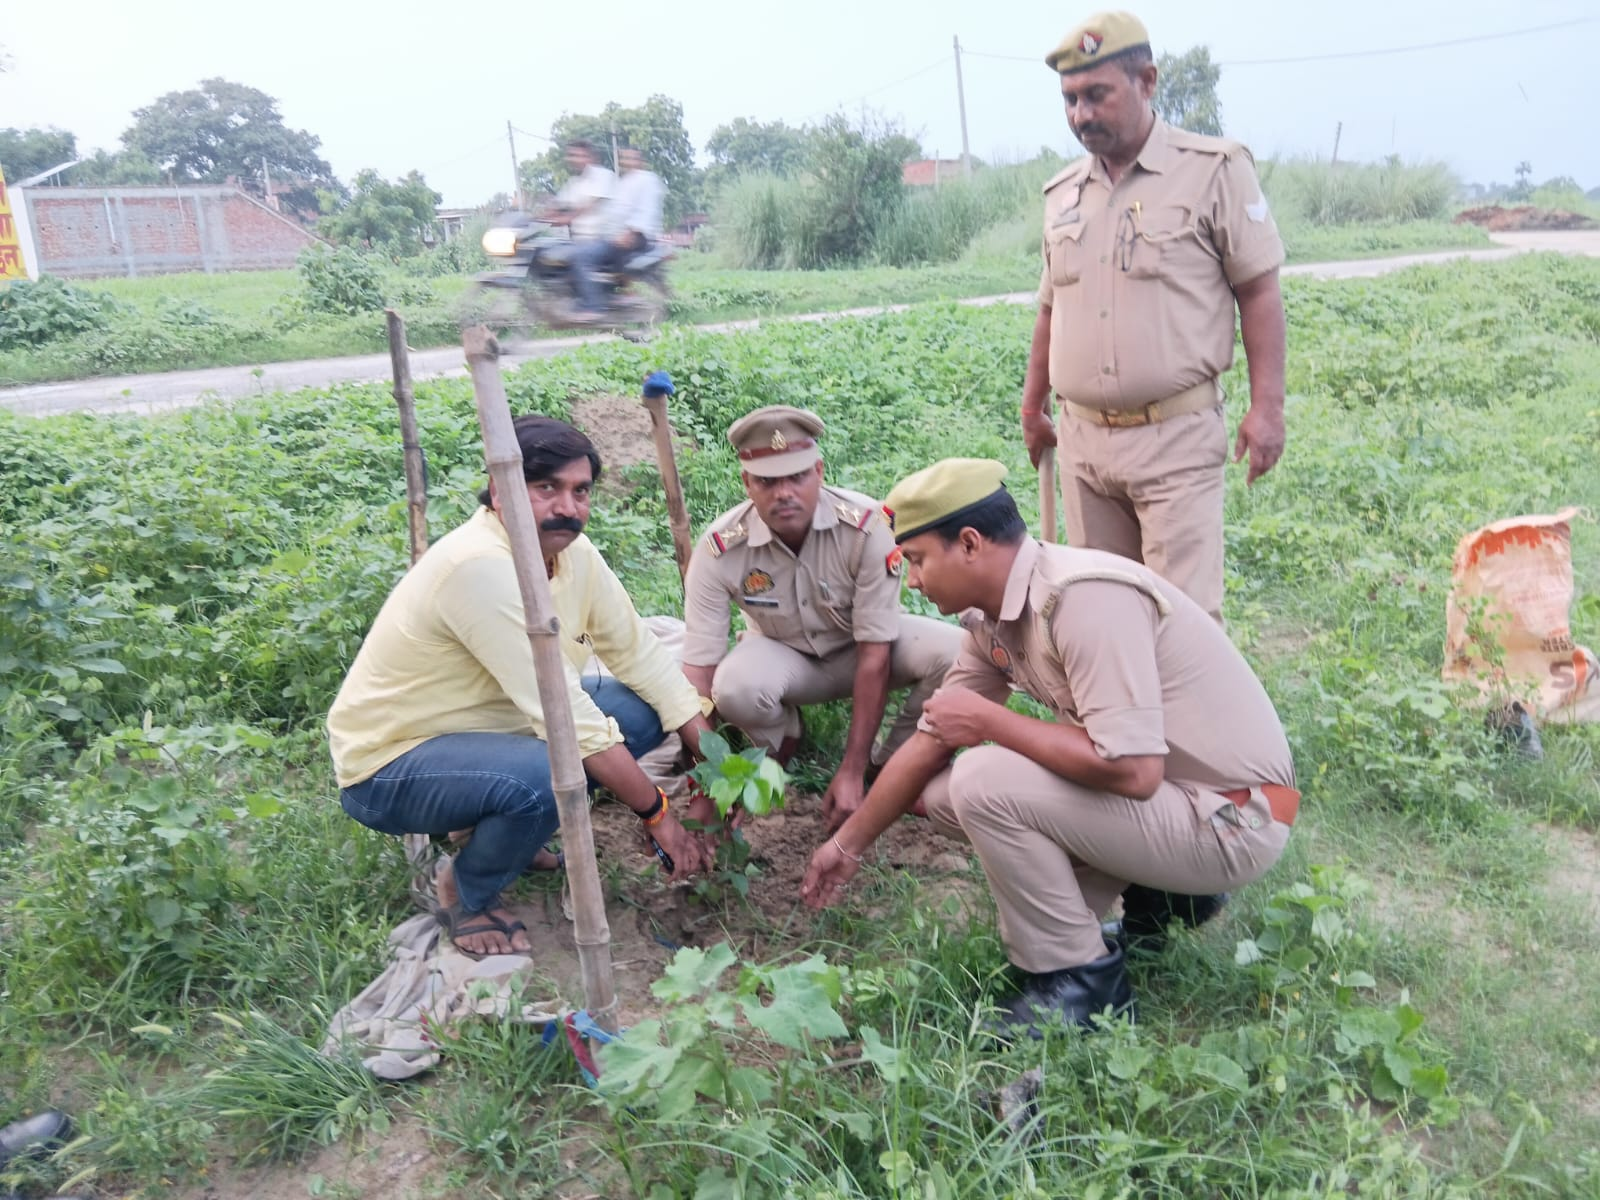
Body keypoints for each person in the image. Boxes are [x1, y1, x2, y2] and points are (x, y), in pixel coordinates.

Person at [801, 459, 1298, 1037]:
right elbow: (934, 738)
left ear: (969, 544)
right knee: (944, 794)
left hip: (1234, 820)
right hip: (1183, 802)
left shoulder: (1081, 599)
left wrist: (990, 721)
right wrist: (849, 843)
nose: (912, 580)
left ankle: (1077, 984)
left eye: (916, 560)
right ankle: (1156, 895)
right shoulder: (993, 618)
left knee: (983, 780)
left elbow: (1133, 771)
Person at [328, 416, 717, 958]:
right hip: (393, 762)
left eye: (580, 491)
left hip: (484, 729)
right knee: (548, 774)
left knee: (640, 714)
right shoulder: (479, 568)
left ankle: (508, 832)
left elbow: (638, 652)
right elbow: (570, 721)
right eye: (546, 488)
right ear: (500, 490)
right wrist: (658, 814)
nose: (568, 506)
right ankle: (469, 891)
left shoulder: (573, 554)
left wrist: (713, 755)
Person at [1019, 11, 1288, 624]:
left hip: (1174, 439)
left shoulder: (1212, 170)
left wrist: (1267, 408)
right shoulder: (1062, 194)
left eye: (1096, 95)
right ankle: (1121, 725)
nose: (1081, 114)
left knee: (1183, 622)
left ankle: (1195, 726)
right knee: (1100, 615)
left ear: (1146, 81)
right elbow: (1050, 307)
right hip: (1084, 444)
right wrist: (1033, 407)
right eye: (1069, 99)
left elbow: (1260, 291)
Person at [681, 406, 962, 832]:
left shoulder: (868, 528)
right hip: (784, 656)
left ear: (819, 471)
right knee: (735, 688)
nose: (784, 494)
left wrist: (852, 768)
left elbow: (875, 654)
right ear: (746, 483)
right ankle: (778, 741)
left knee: (957, 654)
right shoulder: (721, 548)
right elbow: (698, 673)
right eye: (767, 482)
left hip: (863, 649)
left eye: (797, 477)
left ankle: (893, 764)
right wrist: (709, 778)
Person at [572, 145, 666, 318]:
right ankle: (605, 296)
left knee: (582, 258)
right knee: (578, 252)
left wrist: (632, 232)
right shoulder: (623, 182)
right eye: (625, 158)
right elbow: (612, 213)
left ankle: (593, 307)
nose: (628, 162)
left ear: (641, 161)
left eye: (632, 158)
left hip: (636, 237)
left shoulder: (648, 180)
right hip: (615, 236)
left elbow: (648, 210)